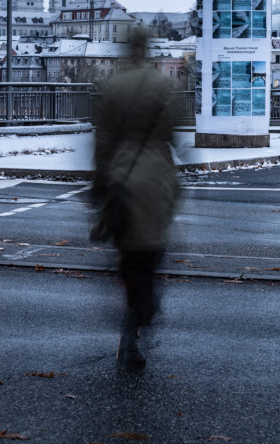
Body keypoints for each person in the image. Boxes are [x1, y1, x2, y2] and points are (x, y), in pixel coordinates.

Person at [92, 26, 177, 369]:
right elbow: (171, 135)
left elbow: (102, 143)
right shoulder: (162, 86)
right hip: (155, 179)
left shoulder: (113, 87)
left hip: (122, 178)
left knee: (130, 261)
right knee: (151, 255)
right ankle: (139, 319)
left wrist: (100, 185)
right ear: (149, 49)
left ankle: (132, 325)